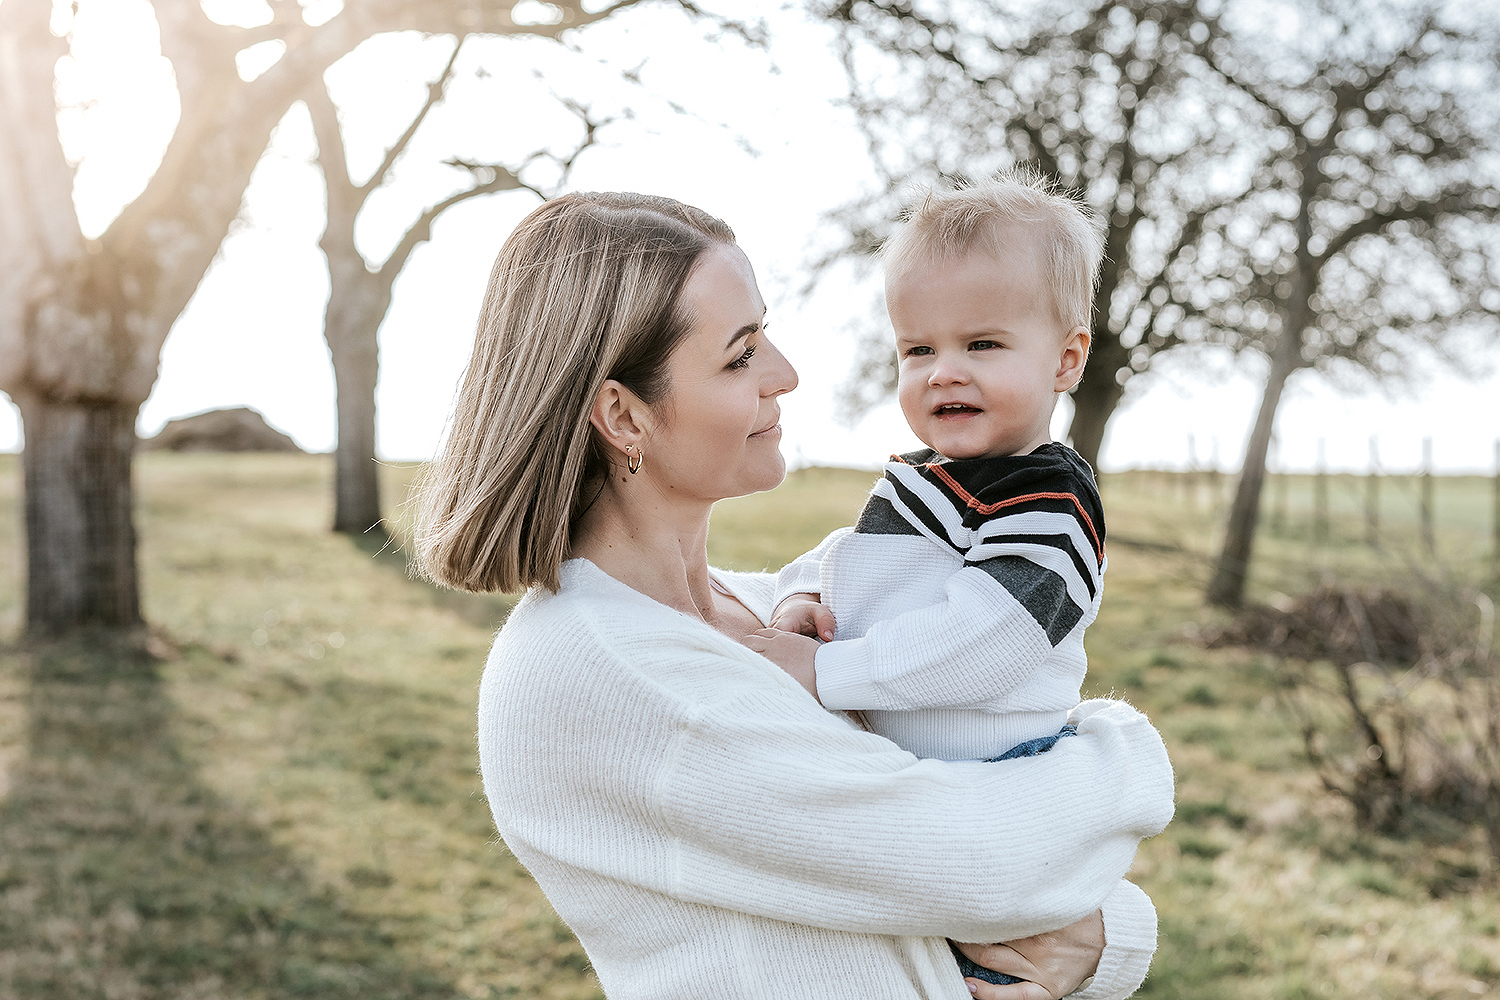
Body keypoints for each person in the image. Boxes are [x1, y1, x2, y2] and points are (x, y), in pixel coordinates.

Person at [413, 191, 1174, 1000]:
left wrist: (1099, 944)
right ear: (623, 416)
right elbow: (986, 865)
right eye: (741, 355)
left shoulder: (772, 608)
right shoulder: (610, 673)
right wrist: (1129, 756)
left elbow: (985, 887)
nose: (787, 373)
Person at [745, 175, 1122, 986]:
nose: (944, 372)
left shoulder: (1044, 497)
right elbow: (853, 552)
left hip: (991, 785)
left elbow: (987, 640)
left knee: (987, 970)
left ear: (1066, 358)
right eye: (919, 349)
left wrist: (825, 671)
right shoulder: (927, 478)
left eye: (982, 345)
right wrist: (801, 595)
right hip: (919, 781)